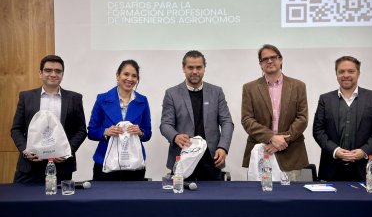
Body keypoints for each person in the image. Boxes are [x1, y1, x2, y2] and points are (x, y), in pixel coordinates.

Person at [11, 55, 87, 184]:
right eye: (48, 70)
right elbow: (16, 129)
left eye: (58, 71)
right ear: (40, 73)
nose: (53, 74)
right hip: (29, 167)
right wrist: (26, 150)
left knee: (58, 204)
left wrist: (67, 151)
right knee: (23, 203)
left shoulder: (74, 98)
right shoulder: (26, 97)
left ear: (62, 75)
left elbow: (81, 130)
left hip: (62, 167)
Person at [160, 50, 234, 181]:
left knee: (214, 200)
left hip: (212, 160)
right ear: (183, 68)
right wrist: (175, 136)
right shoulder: (171, 93)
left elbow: (227, 122)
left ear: (204, 68)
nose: (195, 71)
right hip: (182, 159)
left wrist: (223, 147)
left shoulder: (217, 92)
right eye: (190, 67)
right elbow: (165, 124)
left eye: (199, 67)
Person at [313, 56, 372, 182]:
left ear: (358, 73)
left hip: (367, 169)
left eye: (351, 71)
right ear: (336, 74)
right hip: (332, 169)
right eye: (341, 71)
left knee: (369, 202)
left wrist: (364, 151)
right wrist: (335, 150)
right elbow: (318, 131)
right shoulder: (325, 99)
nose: (346, 75)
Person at [241, 44, 309, 181]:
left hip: (291, 154)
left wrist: (282, 140)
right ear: (260, 64)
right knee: (259, 199)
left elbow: (302, 118)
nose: (270, 61)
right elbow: (247, 120)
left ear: (281, 60)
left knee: (292, 199)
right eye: (265, 59)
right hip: (261, 151)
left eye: (273, 57)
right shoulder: (249, 88)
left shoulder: (298, 86)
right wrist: (271, 137)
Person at [88, 60, 152, 181]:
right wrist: (105, 132)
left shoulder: (143, 101)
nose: (130, 79)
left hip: (134, 164)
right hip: (105, 162)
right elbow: (91, 131)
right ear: (118, 75)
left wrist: (141, 132)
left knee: (132, 200)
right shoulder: (102, 99)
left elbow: (148, 134)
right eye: (126, 74)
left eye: (134, 76)